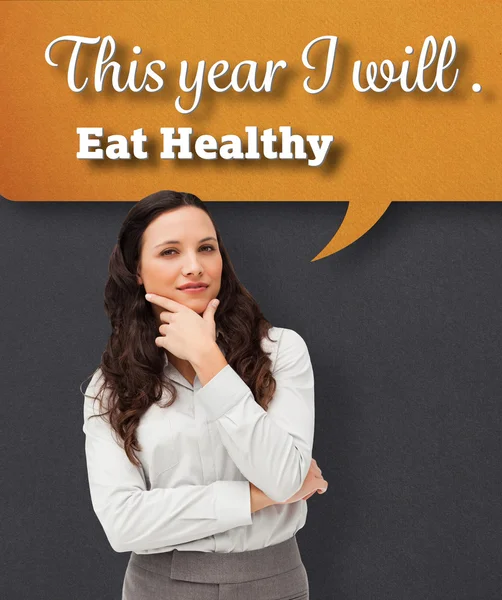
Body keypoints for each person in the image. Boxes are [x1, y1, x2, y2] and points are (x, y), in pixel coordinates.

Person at [81, 190, 328, 600]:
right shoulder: (110, 386)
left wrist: (209, 360)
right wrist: (257, 497)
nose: (193, 267)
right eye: (170, 252)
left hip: (274, 581)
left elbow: (285, 477)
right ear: (136, 270)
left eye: (206, 248)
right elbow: (122, 524)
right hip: (159, 587)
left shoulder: (281, 352)